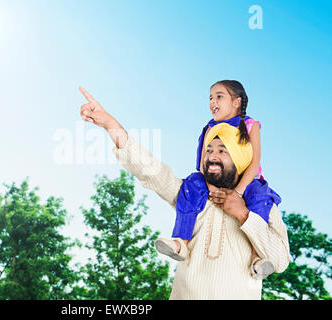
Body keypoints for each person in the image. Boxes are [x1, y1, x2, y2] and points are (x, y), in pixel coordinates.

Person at [78, 86, 290, 299]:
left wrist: (244, 215)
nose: (211, 156)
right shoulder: (190, 194)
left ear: (239, 157)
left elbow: (280, 261)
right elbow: (149, 169)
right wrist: (109, 124)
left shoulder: (261, 205)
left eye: (222, 151)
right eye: (208, 150)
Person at [154, 80, 280, 280]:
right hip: (214, 179)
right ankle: (181, 243)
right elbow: (206, 162)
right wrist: (211, 187)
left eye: (219, 96)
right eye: (210, 98)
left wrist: (238, 192)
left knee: (259, 199)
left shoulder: (250, 125)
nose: (213, 101)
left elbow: (254, 163)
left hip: (247, 179)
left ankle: (258, 258)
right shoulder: (210, 127)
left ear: (237, 102)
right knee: (191, 186)